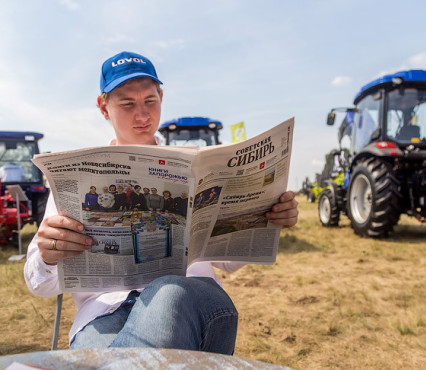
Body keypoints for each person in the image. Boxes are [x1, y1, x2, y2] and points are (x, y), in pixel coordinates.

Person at [24, 51, 299, 354]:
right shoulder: (77, 175)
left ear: (162, 96)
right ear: (103, 107)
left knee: (168, 293)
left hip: (191, 299)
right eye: (127, 104)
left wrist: (264, 217)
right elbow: (40, 285)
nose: (142, 115)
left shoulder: (198, 168)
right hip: (104, 314)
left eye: (150, 102)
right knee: (102, 355)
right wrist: (48, 256)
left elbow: (226, 261)